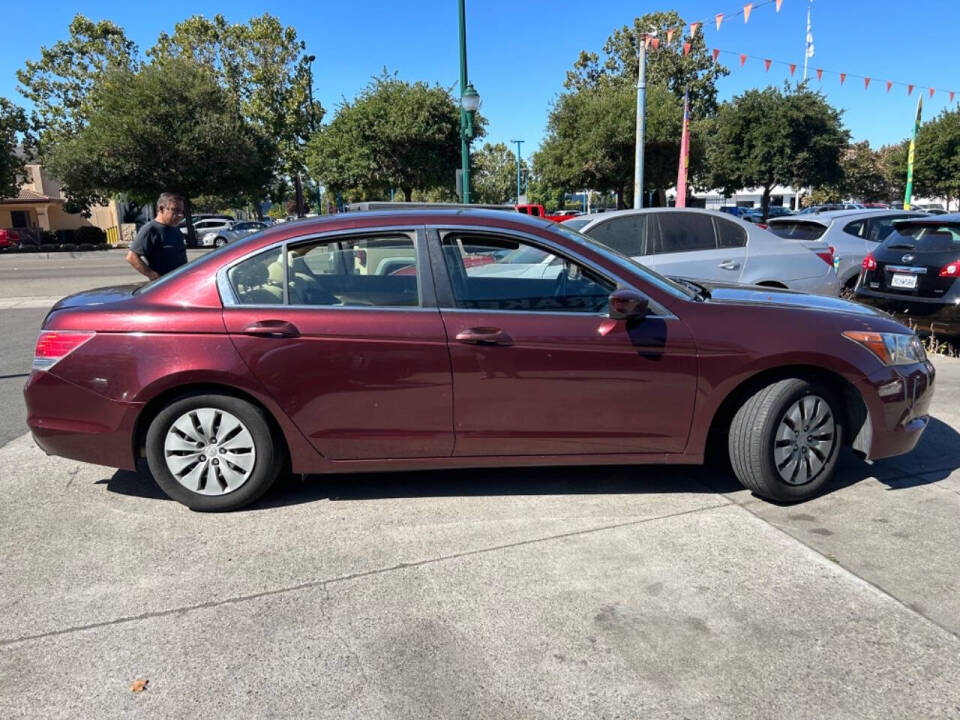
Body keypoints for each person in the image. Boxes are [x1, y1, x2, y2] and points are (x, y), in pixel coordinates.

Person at [126, 193, 188, 280]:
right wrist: (153, 276)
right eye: (176, 210)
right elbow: (131, 257)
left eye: (181, 211)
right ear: (161, 209)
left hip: (180, 283)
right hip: (165, 287)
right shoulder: (150, 230)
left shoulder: (175, 229)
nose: (180, 215)